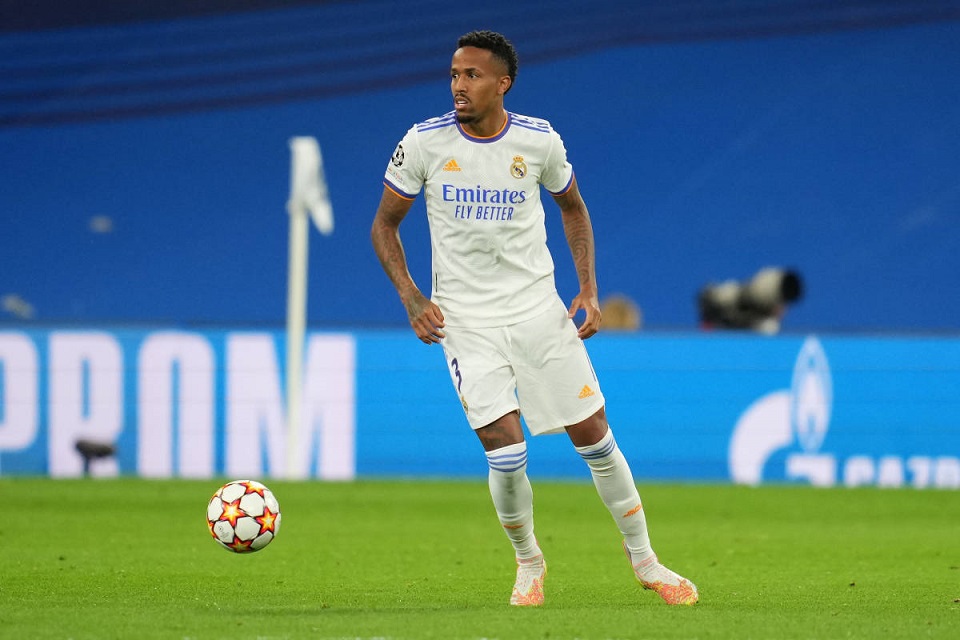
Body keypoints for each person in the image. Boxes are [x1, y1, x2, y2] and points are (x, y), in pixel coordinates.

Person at [370, 30, 698, 607]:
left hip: (537, 311)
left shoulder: (539, 141)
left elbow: (573, 209)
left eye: (472, 76)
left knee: (594, 437)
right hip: (466, 321)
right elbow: (384, 225)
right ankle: (528, 563)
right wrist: (412, 297)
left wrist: (588, 289)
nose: (459, 85)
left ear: (503, 83)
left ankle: (646, 561)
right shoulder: (423, 143)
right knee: (505, 450)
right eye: (454, 74)